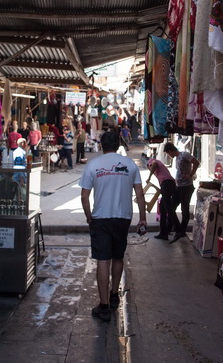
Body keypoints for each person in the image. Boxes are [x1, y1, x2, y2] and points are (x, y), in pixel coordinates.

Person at [80, 131, 146, 323]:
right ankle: (114, 295)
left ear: (101, 145)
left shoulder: (93, 165)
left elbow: (84, 196)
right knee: (118, 257)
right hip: (123, 217)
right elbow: (140, 194)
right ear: (118, 145)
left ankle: (104, 306)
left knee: (103, 260)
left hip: (100, 218)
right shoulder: (130, 164)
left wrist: (88, 216)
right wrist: (142, 218)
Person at [164, 142, 200, 243]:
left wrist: (191, 174)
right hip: (178, 186)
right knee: (172, 207)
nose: (169, 156)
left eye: (168, 153)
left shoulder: (184, 154)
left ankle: (181, 231)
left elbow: (196, 162)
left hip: (186, 187)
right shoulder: (177, 158)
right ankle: (174, 228)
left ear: (170, 151)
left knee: (184, 208)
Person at [146, 158, 180, 241]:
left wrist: (149, 177)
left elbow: (154, 164)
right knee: (163, 208)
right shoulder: (160, 163)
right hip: (170, 183)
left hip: (166, 183)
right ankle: (164, 233)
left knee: (168, 207)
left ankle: (178, 229)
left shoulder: (151, 162)